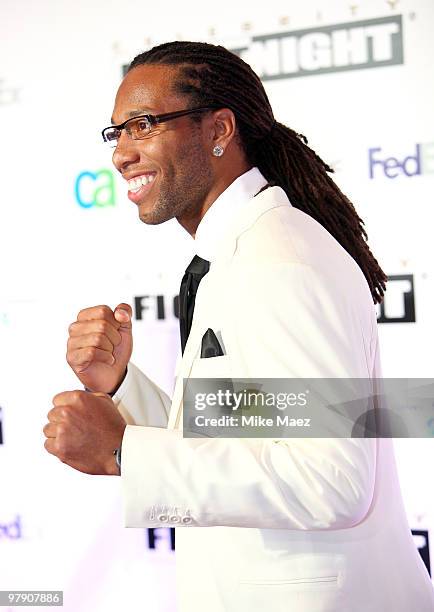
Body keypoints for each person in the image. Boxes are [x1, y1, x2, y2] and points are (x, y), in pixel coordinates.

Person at [43, 41, 434, 611]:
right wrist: (122, 385)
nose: (122, 154)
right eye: (116, 133)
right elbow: (242, 436)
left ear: (219, 129)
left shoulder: (281, 260)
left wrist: (126, 452)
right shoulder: (240, 254)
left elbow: (330, 479)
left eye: (142, 125)